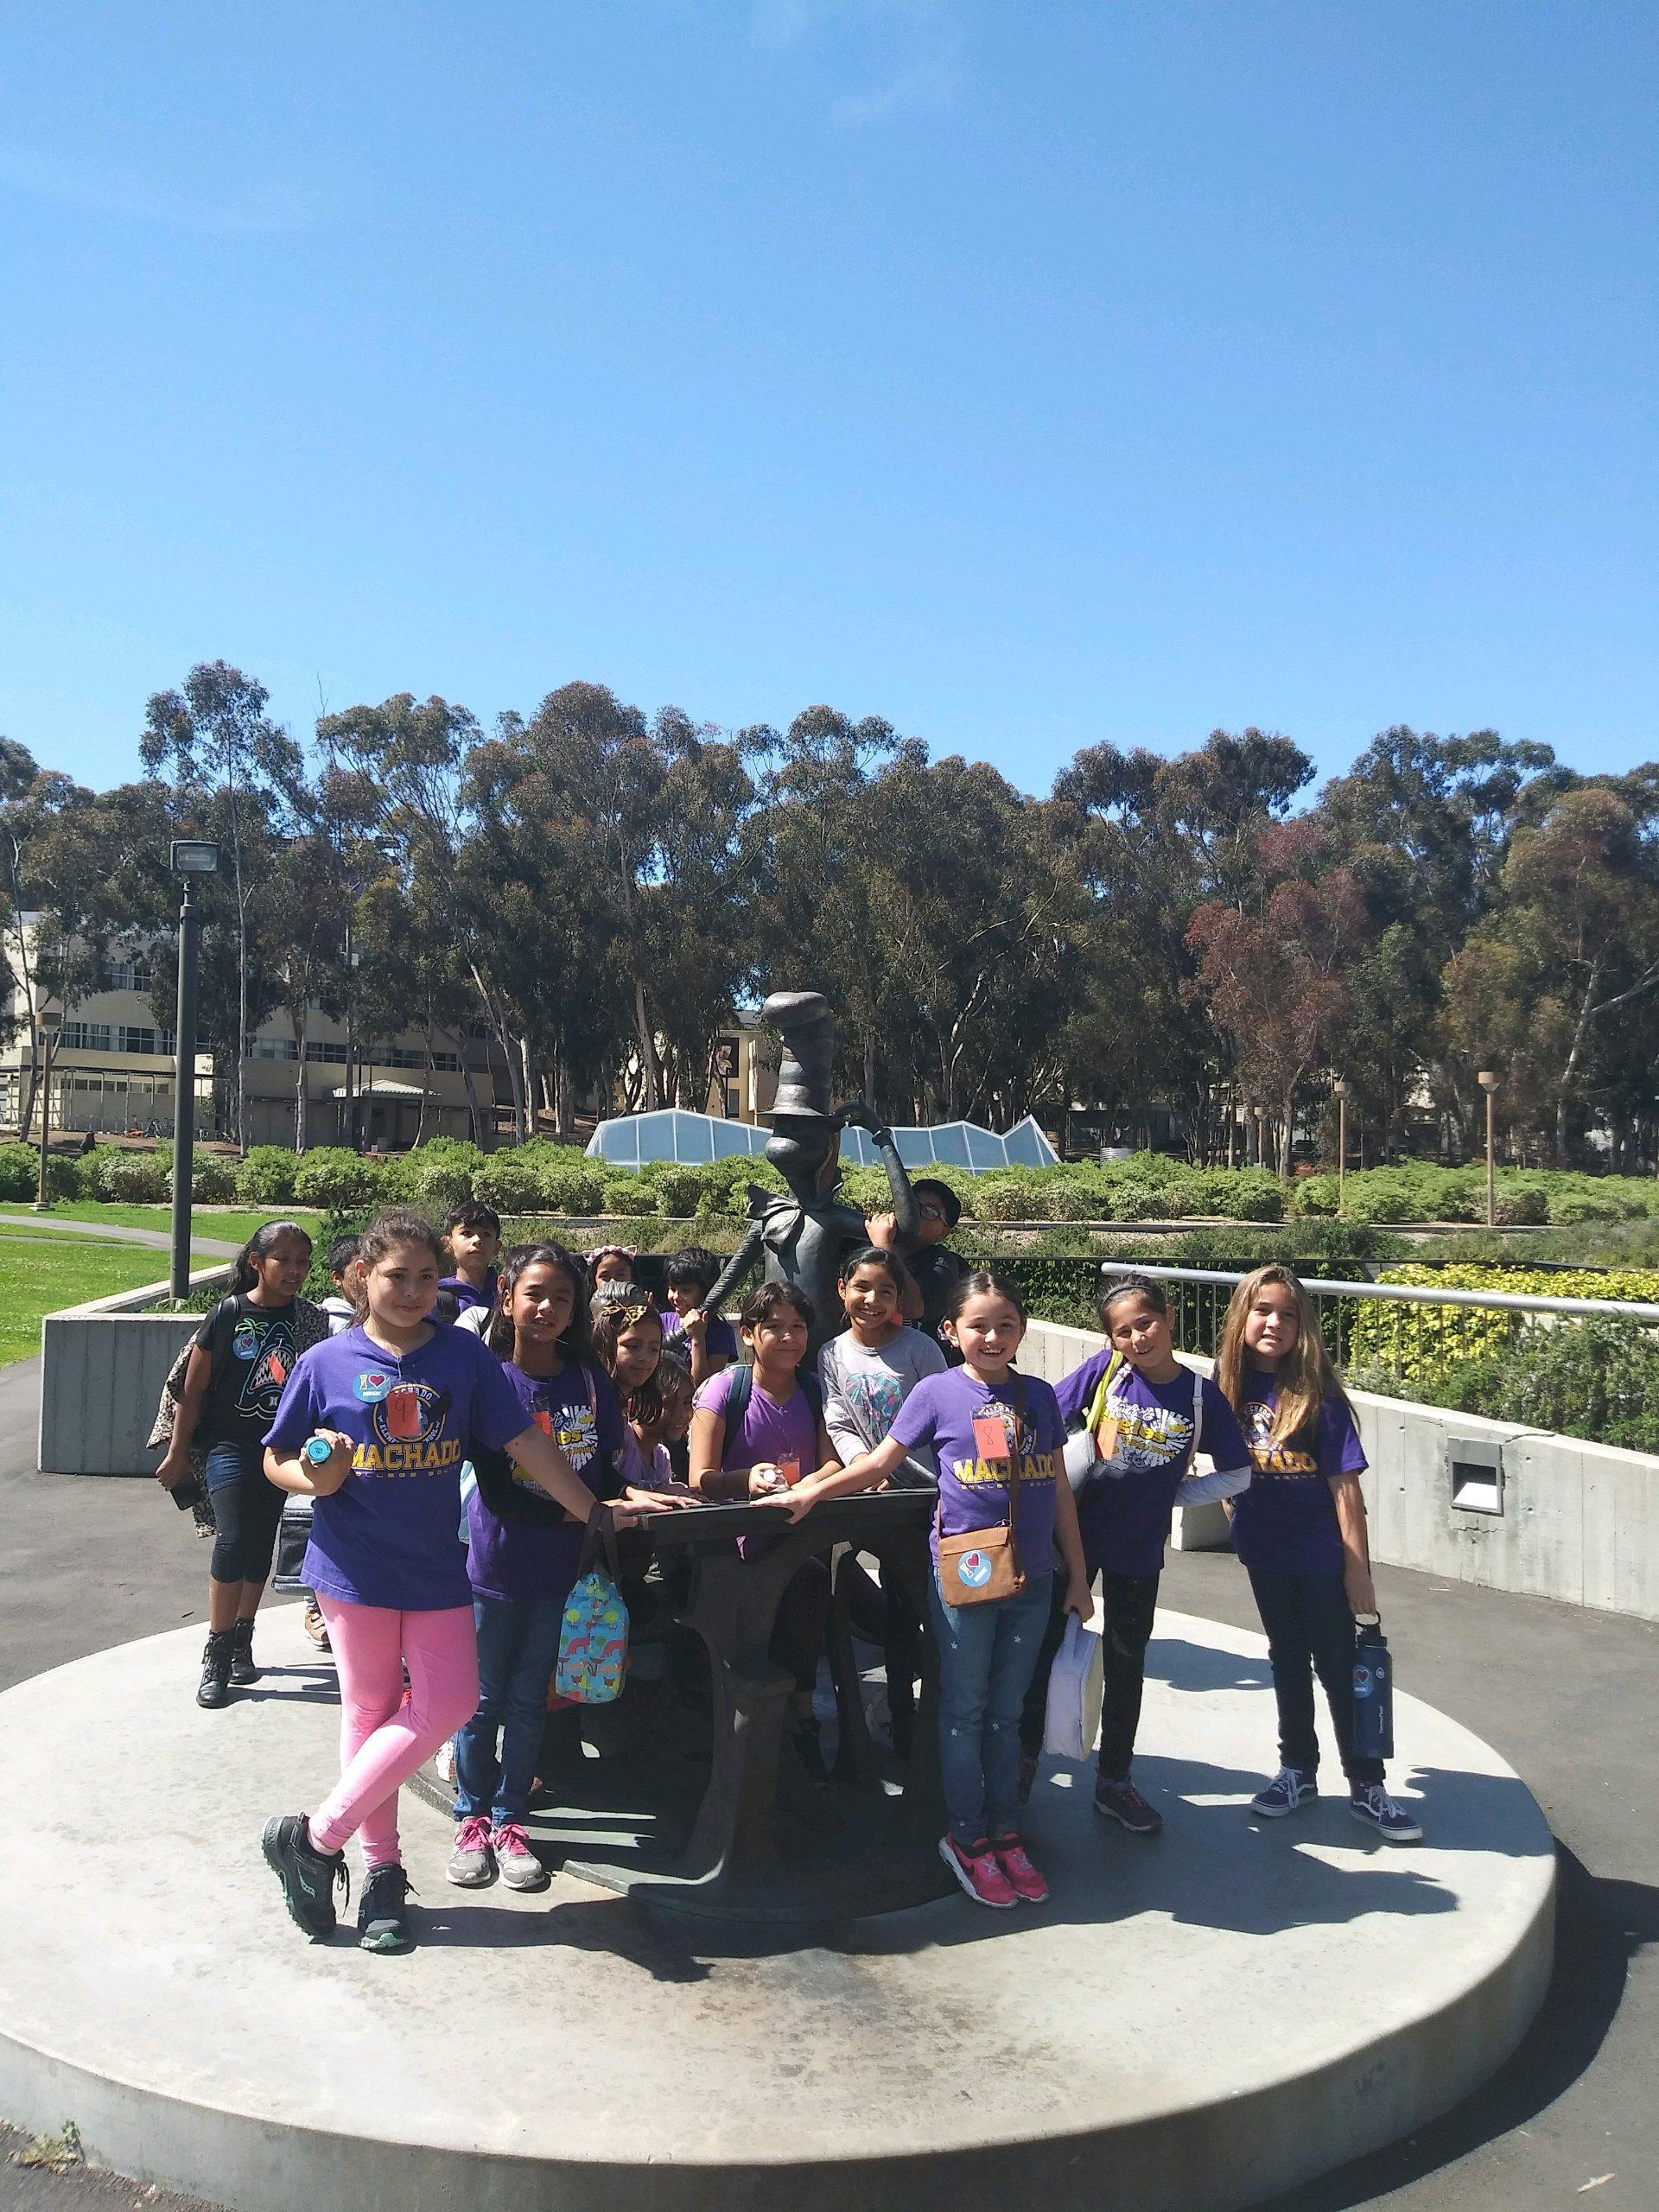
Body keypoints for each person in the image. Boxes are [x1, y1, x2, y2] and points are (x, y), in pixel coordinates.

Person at [257, 1210, 637, 1956]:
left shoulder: (463, 1358)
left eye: (427, 1277)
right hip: (353, 1568)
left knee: (451, 1702)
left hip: (436, 1567)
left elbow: (524, 1440)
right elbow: (278, 1459)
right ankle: (382, 1873)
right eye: (396, 1276)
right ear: (365, 1276)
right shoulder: (326, 1363)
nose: (412, 1291)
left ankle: (314, 1837)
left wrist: (590, 1510)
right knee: (370, 1714)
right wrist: (314, 1474)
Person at [779, 1270, 1092, 1909]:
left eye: (1006, 1324)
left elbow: (1059, 1489)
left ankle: (1007, 1832)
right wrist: (813, 1489)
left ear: (1022, 1330)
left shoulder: (1039, 1398)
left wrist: (1079, 1578)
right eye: (979, 1325)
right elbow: (878, 1463)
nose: (994, 1336)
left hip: (1032, 1578)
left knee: (1008, 1714)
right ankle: (968, 1838)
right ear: (950, 1332)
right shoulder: (935, 1393)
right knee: (965, 1710)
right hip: (966, 1574)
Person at [448, 1243, 677, 1893]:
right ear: (507, 1298)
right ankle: (471, 1817)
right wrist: (589, 1515)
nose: (548, 1309)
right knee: (482, 1703)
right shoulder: (487, 1376)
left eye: (563, 1298)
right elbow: (498, 1486)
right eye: (535, 1294)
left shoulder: (586, 1378)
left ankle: (511, 1818)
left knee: (529, 1702)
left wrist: (634, 1495)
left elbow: (603, 1469)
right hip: (495, 1564)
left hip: (564, 1569)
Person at [1020, 1273, 1252, 1837]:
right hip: (1070, 1537)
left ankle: (1114, 1781)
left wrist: (1177, 1495)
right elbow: (1045, 1412)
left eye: (1145, 1323)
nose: (1137, 1338)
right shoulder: (1106, 1373)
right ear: (1112, 1340)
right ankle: (1020, 1765)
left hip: (1137, 1552)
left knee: (1126, 1666)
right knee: (1040, 1650)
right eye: (1123, 1332)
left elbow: (1239, 1473)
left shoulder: (1199, 1396)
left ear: (1168, 1318)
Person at [1217, 1265, 1421, 1843]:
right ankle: (1297, 1771)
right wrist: (1239, 1521)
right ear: (1242, 1318)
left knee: (1337, 1668)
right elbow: (1226, 1464)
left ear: (1302, 1324)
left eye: (1286, 1313)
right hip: (1266, 1557)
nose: (1273, 1323)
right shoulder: (1226, 1386)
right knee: (1286, 1659)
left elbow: (1346, 1491)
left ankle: (1366, 1784)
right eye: (1262, 1310)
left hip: (1320, 1559)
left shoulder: (1318, 1398)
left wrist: (1358, 1573)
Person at [154, 1221, 326, 1708]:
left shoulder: (310, 1320)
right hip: (227, 1446)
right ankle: (217, 1650)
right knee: (233, 1536)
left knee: (260, 1541)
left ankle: (243, 1638)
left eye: (302, 1262)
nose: (294, 1271)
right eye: (284, 1260)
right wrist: (178, 1452)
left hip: (280, 1451)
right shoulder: (227, 1313)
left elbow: (319, 1386)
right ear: (257, 1262)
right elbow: (193, 1387)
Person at [689, 1281, 841, 1802]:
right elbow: (698, 1477)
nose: (788, 1337)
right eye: (774, 1326)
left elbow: (831, 1461)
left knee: (812, 1592)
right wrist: (745, 1482)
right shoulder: (723, 1390)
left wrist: (805, 1487)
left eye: (797, 1327)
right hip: (727, 1550)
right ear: (749, 1334)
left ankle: (801, 1719)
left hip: (795, 1545)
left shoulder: (817, 1391)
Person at [817, 1243, 947, 1754]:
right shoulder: (832, 1353)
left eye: (885, 1290)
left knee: (933, 1608)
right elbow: (839, 1418)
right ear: (841, 1290)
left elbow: (943, 1418)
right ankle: (901, 1715)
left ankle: (941, 1714)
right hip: (875, 1500)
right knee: (896, 1610)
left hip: (929, 1497)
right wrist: (860, 1469)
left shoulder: (919, 1348)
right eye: (861, 1288)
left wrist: (889, 1466)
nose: (872, 1299)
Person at [893, 1178, 968, 1359]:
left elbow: (914, 1309)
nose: (917, 1213)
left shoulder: (942, 1264)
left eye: (929, 1211)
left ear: (943, 1233)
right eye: (912, 1203)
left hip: (920, 1364)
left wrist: (885, 1249)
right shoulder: (869, 1242)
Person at [659, 1247, 739, 1385]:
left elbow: (702, 1386)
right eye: (672, 1289)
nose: (676, 1297)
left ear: (706, 1291)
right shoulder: (662, 1321)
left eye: (686, 1290)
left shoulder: (721, 1332)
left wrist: (697, 1338)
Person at [437, 1201, 501, 1318]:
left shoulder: (507, 1294)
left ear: (496, 1247)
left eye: (486, 1234)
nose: (477, 1240)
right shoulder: (436, 1297)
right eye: (467, 1233)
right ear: (447, 1244)